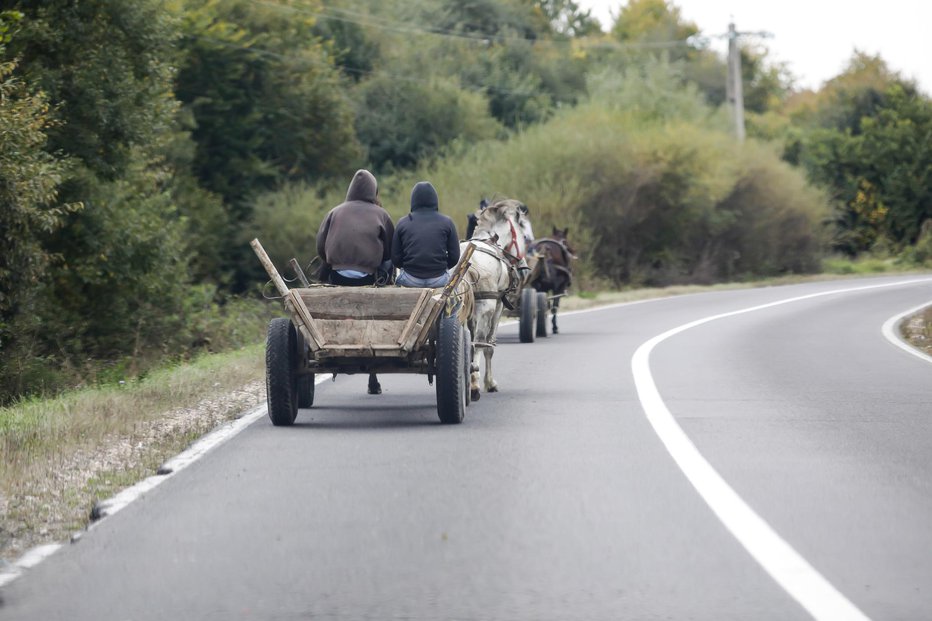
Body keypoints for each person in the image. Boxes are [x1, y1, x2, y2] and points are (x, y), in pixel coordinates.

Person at [316, 168, 393, 394]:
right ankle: (373, 376)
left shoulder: (334, 212)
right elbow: (390, 253)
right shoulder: (381, 214)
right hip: (370, 279)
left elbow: (320, 248)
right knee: (389, 264)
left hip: (337, 277)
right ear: (374, 192)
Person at [392, 181, 461, 288]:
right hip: (439, 279)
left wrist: (409, 266)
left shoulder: (402, 223)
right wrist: (441, 267)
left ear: (413, 200)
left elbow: (395, 258)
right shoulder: (447, 222)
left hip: (410, 279)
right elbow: (455, 257)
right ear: (435, 200)